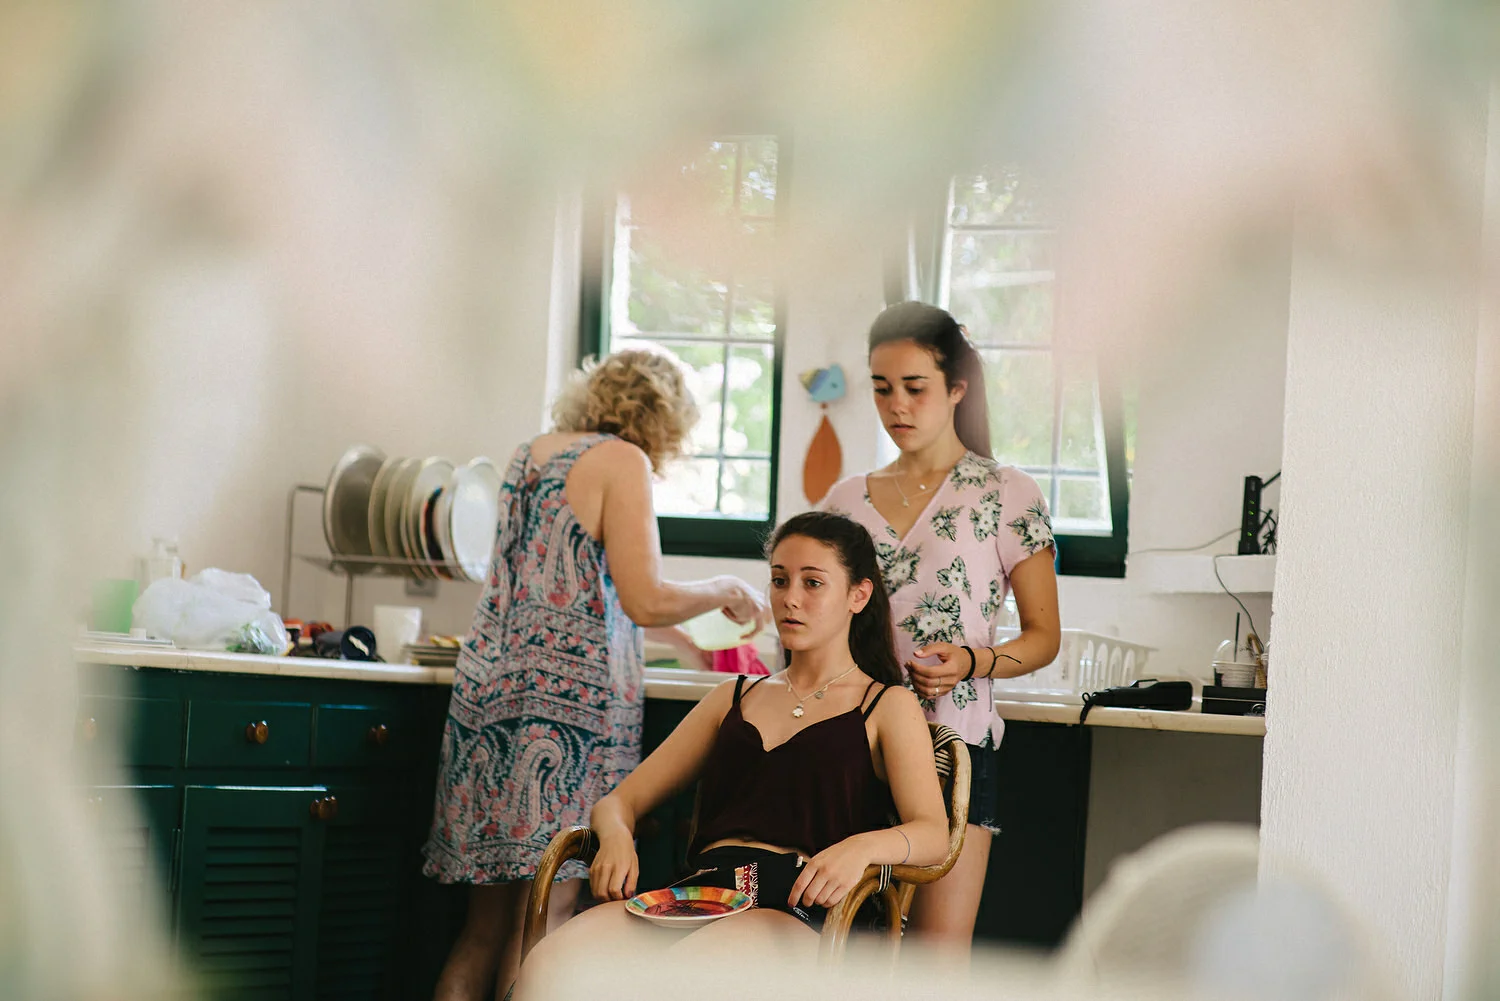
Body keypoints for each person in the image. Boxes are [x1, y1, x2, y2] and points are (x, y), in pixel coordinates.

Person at [424, 349, 771, 1001]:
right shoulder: (624, 460)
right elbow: (642, 596)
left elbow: (572, 588)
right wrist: (725, 586)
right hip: (567, 714)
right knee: (547, 926)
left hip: (487, 701)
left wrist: (686, 637)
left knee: (482, 928)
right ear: (663, 418)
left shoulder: (532, 453)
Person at [515, 511, 949, 997]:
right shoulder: (732, 697)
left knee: (687, 976)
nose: (791, 599)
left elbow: (933, 833)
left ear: (858, 596)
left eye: (813, 583)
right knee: (549, 967)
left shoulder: (888, 703)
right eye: (780, 581)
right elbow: (619, 802)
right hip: (698, 895)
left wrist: (862, 847)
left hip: (800, 905)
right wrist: (615, 836)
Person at [821, 301, 1062, 954]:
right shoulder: (843, 500)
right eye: (881, 387)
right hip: (850, 746)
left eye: (915, 387)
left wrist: (972, 661)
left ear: (956, 388)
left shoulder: (1008, 493)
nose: (897, 405)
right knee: (837, 960)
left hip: (954, 751)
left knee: (935, 969)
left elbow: (1043, 636)